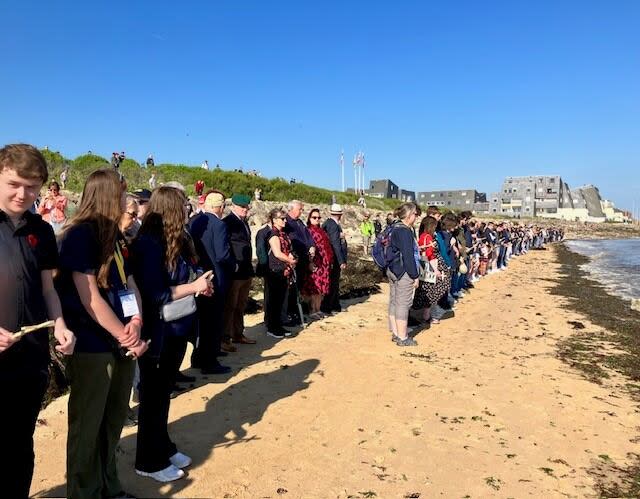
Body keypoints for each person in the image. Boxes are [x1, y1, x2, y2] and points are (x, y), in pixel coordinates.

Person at [56, 168, 148, 499]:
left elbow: (130, 284)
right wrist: (127, 335)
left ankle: (109, 486)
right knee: (88, 426)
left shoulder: (117, 237)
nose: (128, 201)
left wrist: (136, 322)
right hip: (92, 343)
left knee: (112, 422)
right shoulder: (80, 235)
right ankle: (84, 492)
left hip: (122, 339)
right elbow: (89, 296)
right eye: (123, 194)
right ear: (107, 195)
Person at [0, 143, 76, 499]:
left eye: (32, 187)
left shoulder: (42, 231)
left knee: (19, 446)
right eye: (14, 183)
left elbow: (48, 290)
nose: (23, 194)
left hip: (30, 359)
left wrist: (59, 324)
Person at [130, 186, 213, 483]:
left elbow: (179, 278)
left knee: (162, 395)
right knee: (152, 398)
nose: (188, 211)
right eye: (183, 207)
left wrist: (199, 282)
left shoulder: (172, 240)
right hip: (156, 332)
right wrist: (194, 287)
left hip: (175, 329)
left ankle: (162, 446)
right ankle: (148, 460)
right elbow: (156, 293)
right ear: (171, 210)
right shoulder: (150, 243)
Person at [188, 191, 234, 374]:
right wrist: (233, 265)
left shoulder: (195, 222)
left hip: (198, 276)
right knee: (213, 321)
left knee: (202, 321)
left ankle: (199, 357)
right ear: (220, 207)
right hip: (215, 278)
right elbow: (222, 254)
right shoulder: (219, 225)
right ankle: (210, 361)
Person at [222, 194, 256, 350]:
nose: (245, 210)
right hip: (235, 272)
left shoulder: (243, 223)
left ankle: (238, 333)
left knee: (241, 304)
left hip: (245, 270)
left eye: (246, 207)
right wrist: (232, 266)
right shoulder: (228, 222)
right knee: (230, 306)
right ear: (233, 206)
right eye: (242, 207)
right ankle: (225, 338)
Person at [387, 202, 421, 346]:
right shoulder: (405, 231)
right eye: (416, 214)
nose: (417, 217)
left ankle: (395, 333)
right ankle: (402, 337)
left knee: (394, 301)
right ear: (409, 214)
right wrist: (415, 275)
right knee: (403, 303)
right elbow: (408, 256)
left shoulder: (394, 227)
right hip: (403, 272)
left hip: (392, 269)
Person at [265, 208, 297, 338]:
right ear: (274, 220)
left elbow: (286, 249)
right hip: (275, 270)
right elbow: (277, 253)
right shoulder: (273, 234)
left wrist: (291, 258)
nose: (285, 221)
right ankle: (273, 328)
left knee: (280, 300)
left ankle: (278, 326)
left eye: (285, 218)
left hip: (284, 269)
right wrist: (290, 260)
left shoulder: (283, 234)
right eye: (282, 219)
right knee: (274, 301)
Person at [284, 200, 315, 324]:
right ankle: (290, 313)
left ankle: (296, 311)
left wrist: (312, 246)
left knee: (299, 286)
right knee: (292, 288)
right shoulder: (286, 222)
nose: (302, 211)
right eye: (300, 209)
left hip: (303, 258)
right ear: (292, 209)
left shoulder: (300, 222)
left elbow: (308, 236)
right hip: (294, 259)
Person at [413, 216, 449, 324]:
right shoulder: (427, 237)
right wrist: (436, 270)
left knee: (428, 292)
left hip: (427, 267)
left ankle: (426, 314)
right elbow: (430, 255)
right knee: (431, 292)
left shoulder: (423, 236)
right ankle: (426, 316)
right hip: (429, 268)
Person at [302, 208, 334, 319]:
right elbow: (308, 248)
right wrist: (310, 262)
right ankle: (312, 310)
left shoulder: (321, 231)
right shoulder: (308, 231)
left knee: (322, 288)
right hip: (315, 262)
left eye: (319, 217)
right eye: (314, 217)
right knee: (314, 288)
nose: (317, 219)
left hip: (324, 263)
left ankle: (318, 309)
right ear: (309, 218)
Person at [320, 203, 348, 315]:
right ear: (340, 214)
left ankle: (335, 305)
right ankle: (328, 306)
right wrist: (341, 260)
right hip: (334, 258)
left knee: (334, 283)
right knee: (333, 283)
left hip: (332, 257)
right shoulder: (332, 225)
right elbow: (335, 244)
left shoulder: (330, 224)